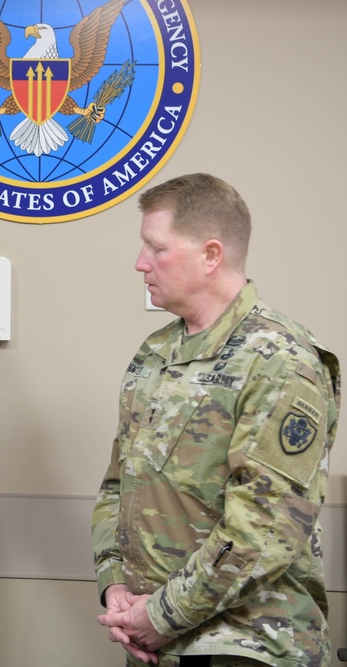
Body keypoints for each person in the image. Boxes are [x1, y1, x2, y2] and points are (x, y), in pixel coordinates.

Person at [91, 173, 340, 667]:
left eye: (156, 248)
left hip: (248, 644)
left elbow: (264, 529)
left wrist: (160, 616)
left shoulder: (280, 359)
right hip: (154, 640)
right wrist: (114, 583)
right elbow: (119, 486)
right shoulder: (155, 354)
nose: (141, 263)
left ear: (210, 255)